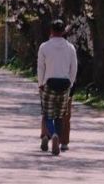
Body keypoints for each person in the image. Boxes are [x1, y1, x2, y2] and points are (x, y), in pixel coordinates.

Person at [37, 19, 77, 156]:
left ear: (51, 31)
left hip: (49, 83)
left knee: (48, 114)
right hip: (65, 84)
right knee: (60, 115)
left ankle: (52, 134)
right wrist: (70, 83)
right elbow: (74, 68)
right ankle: (58, 137)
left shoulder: (44, 47)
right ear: (63, 31)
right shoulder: (70, 48)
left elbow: (41, 67)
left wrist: (40, 83)